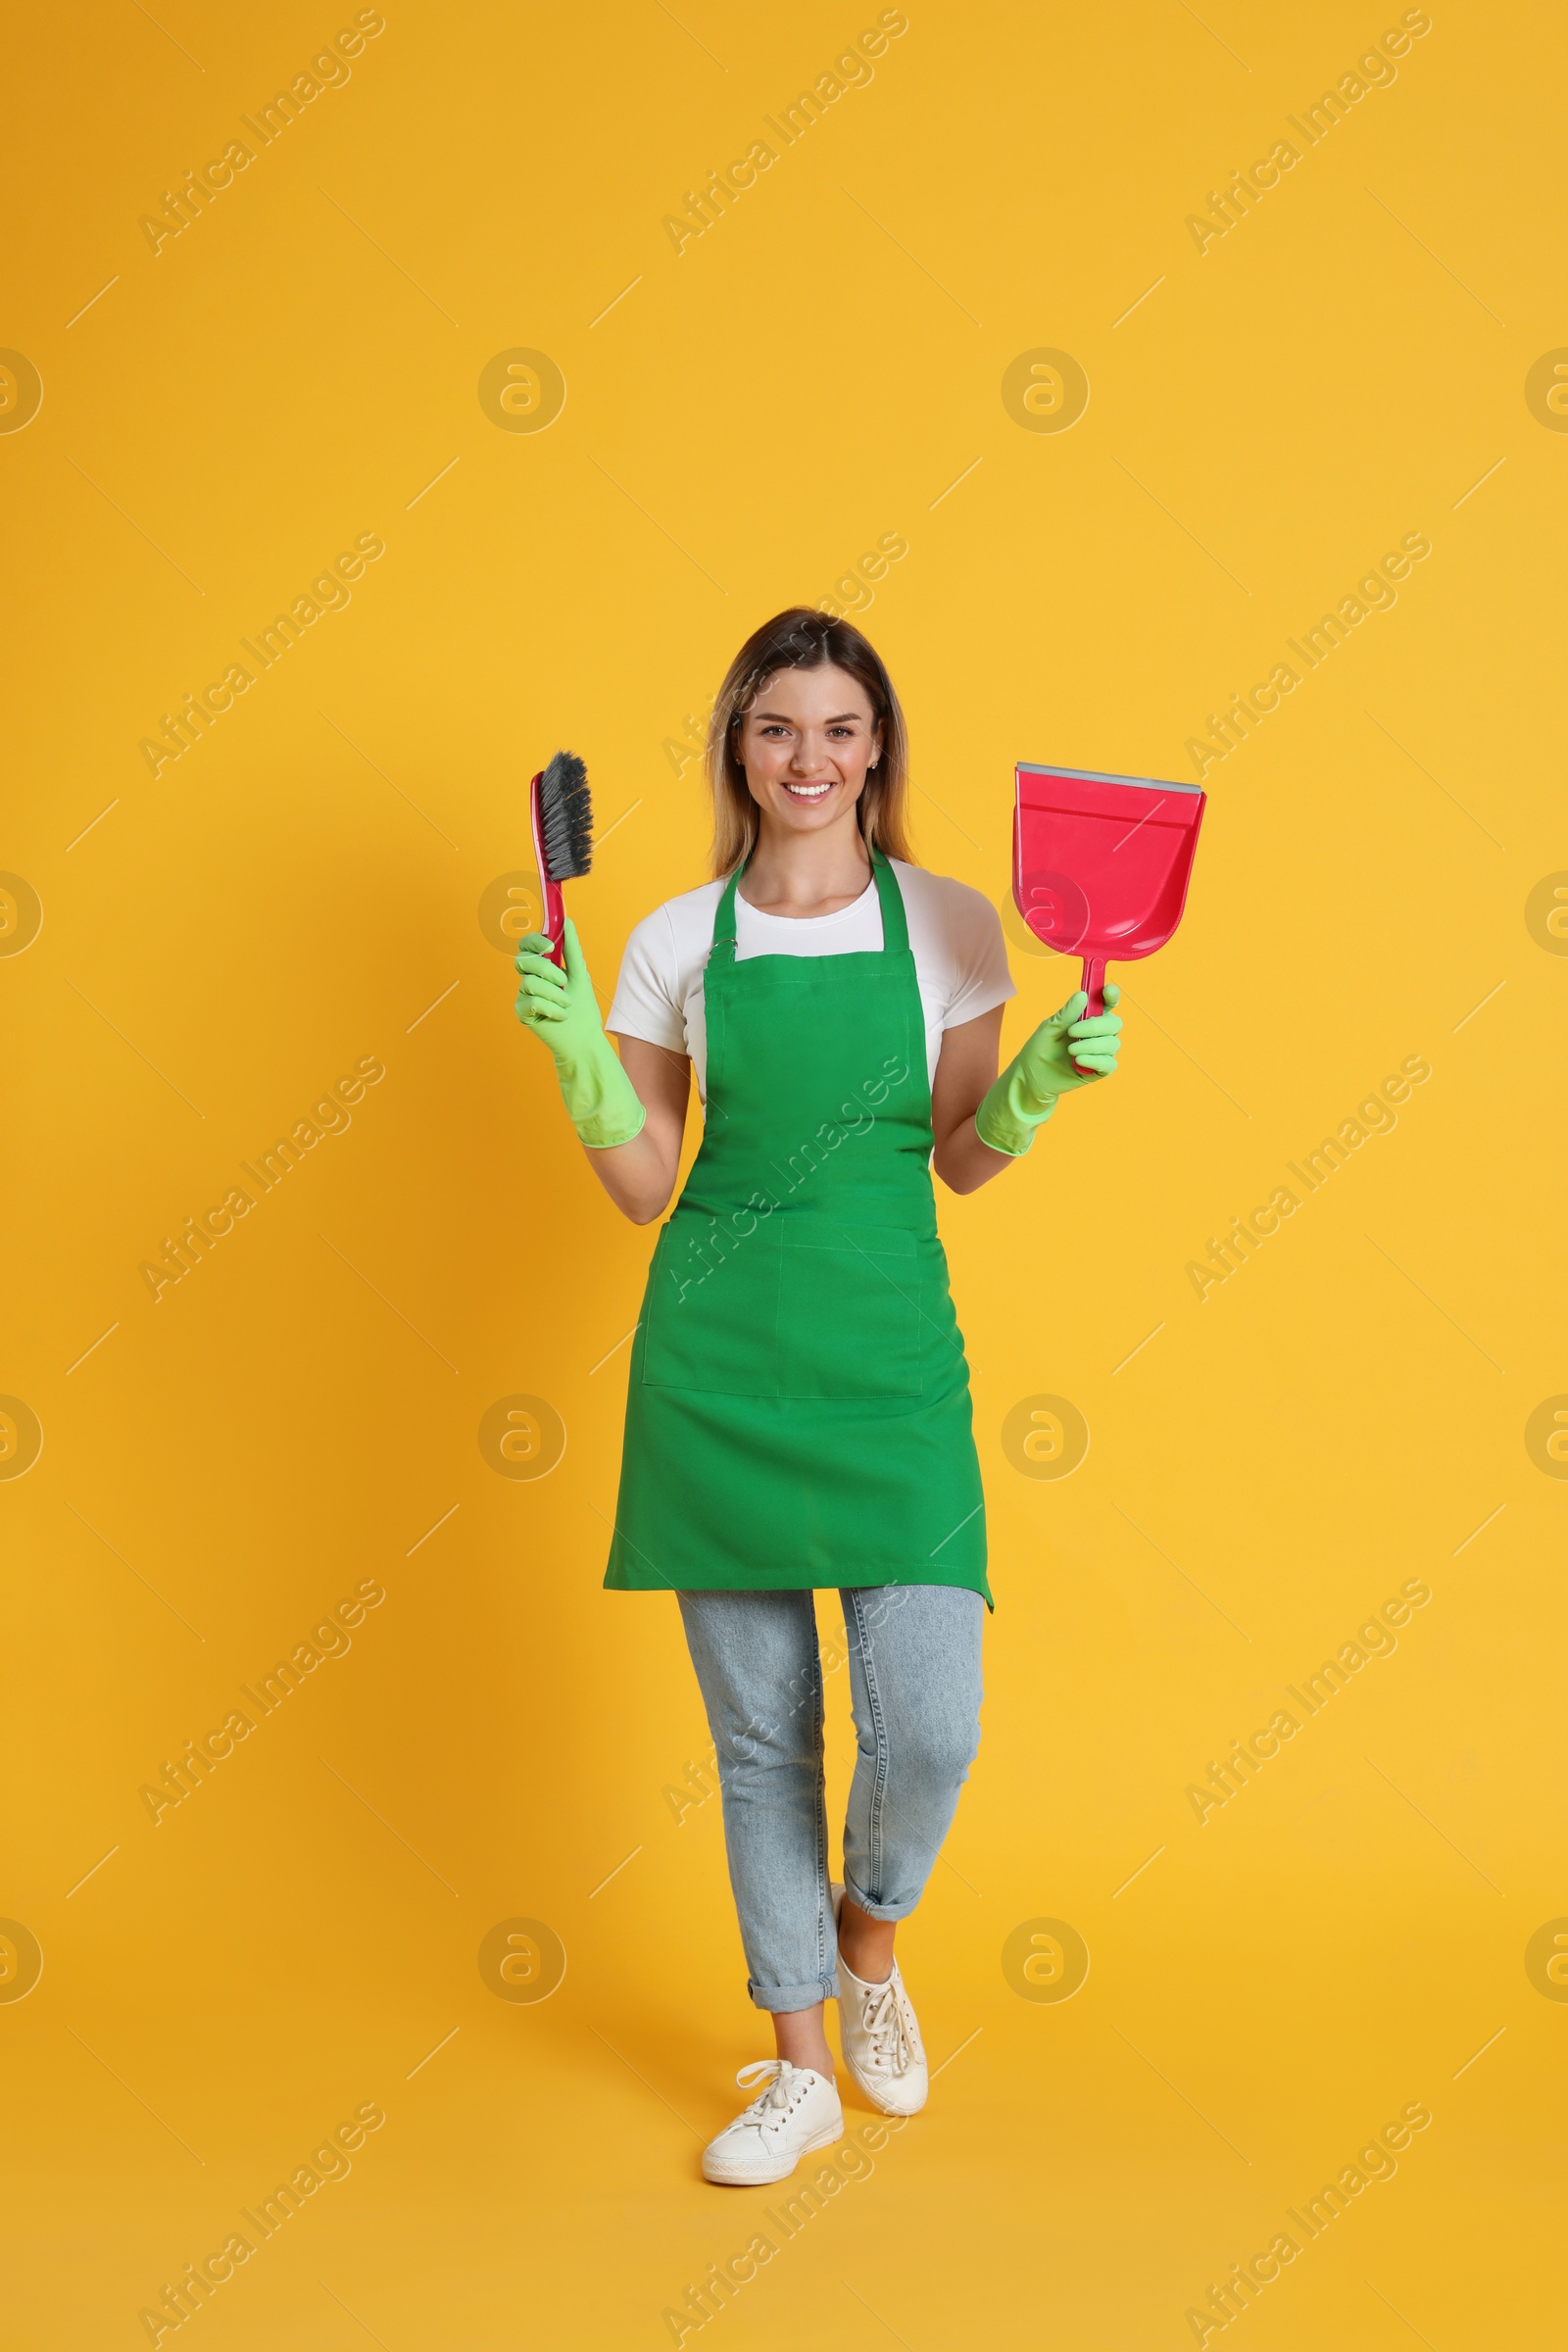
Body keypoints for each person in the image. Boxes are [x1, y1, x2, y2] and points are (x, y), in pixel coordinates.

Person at [513, 609, 1121, 2185]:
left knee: (930, 1724)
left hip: (890, 1366)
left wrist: (1039, 1081)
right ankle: (795, 2065)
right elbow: (646, 1186)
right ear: (738, 744)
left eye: (841, 729)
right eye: (780, 726)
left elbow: (966, 1157)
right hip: (716, 1371)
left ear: (879, 750)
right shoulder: (666, 941)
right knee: (762, 1743)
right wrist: (587, 1067)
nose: (811, 758)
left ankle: (868, 1953)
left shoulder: (950, 922)